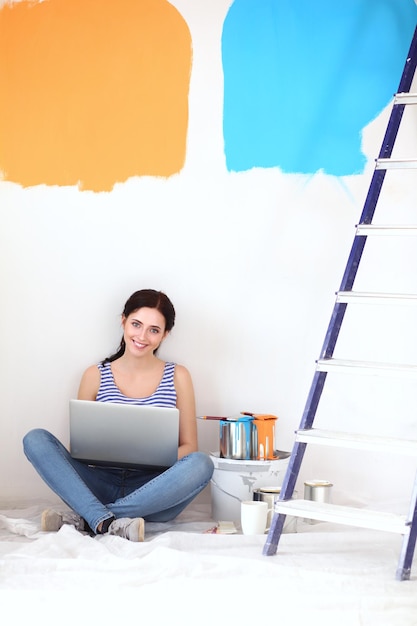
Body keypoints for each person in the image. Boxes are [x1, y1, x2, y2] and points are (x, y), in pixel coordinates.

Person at [23, 289, 214, 542]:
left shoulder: (178, 376)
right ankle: (109, 520)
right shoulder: (95, 375)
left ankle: (91, 518)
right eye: (136, 324)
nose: (142, 336)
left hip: (154, 491)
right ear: (123, 321)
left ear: (165, 335)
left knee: (202, 463)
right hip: (99, 483)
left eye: (154, 330)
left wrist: (150, 457)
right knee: (35, 438)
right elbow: (77, 447)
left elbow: (190, 447)